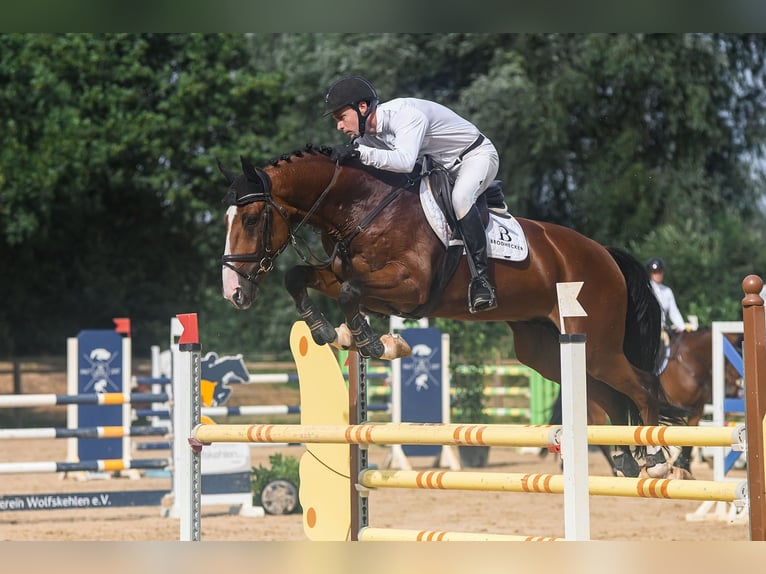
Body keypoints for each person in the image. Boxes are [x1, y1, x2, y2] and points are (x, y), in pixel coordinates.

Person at [323, 76, 499, 313]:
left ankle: (482, 281)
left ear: (362, 107)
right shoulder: (367, 135)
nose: (340, 126)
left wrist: (360, 153)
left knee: (460, 198)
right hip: (439, 167)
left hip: (476, 157)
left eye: (341, 117)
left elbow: (405, 162)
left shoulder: (406, 115)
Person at [646, 257, 686, 334]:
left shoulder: (667, 291)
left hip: (663, 330)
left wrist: (682, 328)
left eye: (659, 272)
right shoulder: (647, 289)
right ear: (650, 273)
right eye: (655, 272)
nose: (657, 275)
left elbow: (674, 312)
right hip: (649, 330)